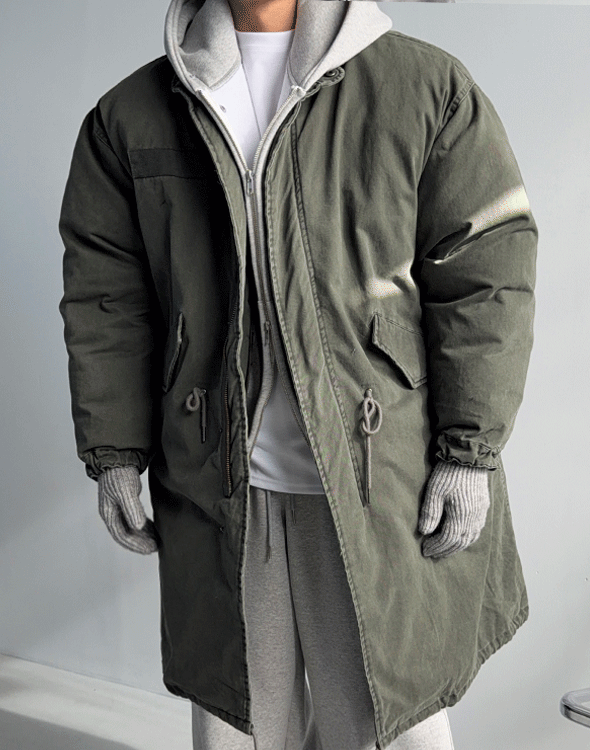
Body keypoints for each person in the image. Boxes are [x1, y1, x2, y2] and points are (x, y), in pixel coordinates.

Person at [58, 0, 537, 748]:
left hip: (381, 480)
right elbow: (107, 297)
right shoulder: (132, 115)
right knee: (240, 728)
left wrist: (468, 452)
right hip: (222, 486)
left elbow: (486, 274)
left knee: (386, 724)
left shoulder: (423, 86)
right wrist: (115, 451)